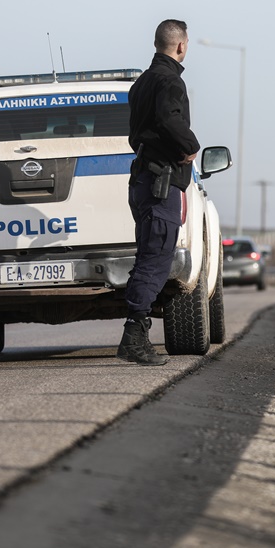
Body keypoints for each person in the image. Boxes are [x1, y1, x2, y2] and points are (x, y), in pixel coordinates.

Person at [117, 19, 200, 365]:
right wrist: (190, 146)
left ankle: (135, 335)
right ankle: (134, 339)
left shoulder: (141, 84)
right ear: (180, 46)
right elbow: (169, 120)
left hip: (143, 180)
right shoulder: (170, 81)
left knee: (148, 257)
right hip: (160, 183)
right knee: (154, 260)